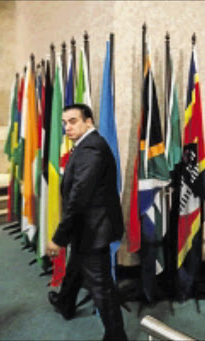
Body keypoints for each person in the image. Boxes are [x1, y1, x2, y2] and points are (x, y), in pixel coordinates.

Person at [46, 104, 127, 341]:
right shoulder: (87, 145)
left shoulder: (91, 148)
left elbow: (79, 197)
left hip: (94, 229)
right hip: (88, 227)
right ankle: (65, 302)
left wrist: (58, 237)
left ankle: (117, 336)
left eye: (73, 121)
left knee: (102, 287)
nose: (67, 128)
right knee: (76, 265)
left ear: (88, 122)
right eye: (64, 123)